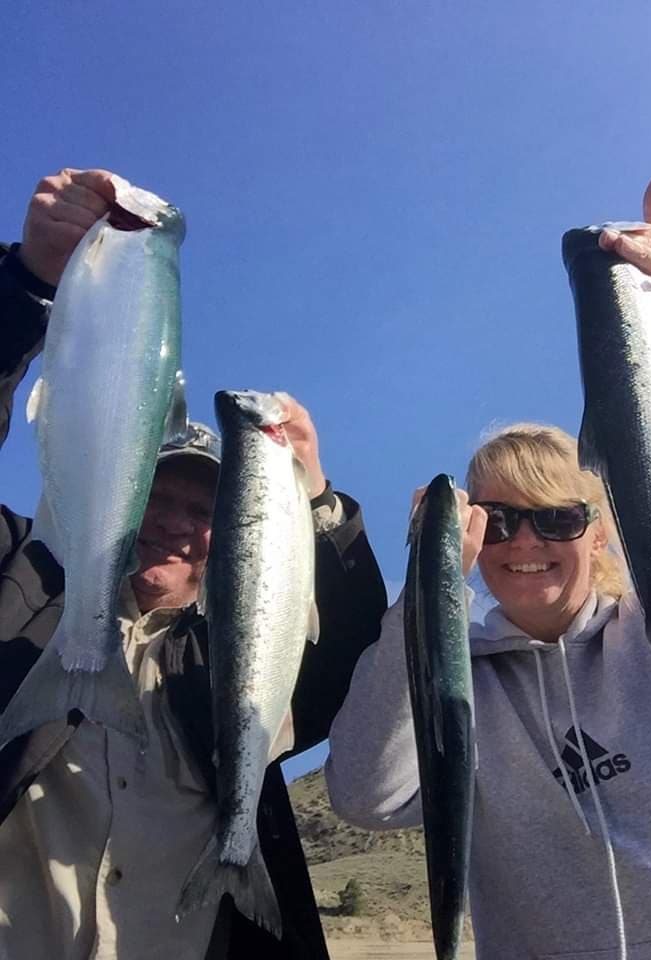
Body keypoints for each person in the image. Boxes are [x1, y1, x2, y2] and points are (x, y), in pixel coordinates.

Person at [325, 175, 651, 959]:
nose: (525, 543)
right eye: (498, 521)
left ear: (599, 534)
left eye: (557, 518)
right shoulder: (461, 683)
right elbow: (366, 797)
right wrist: (427, 591)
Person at [0, 168, 387, 959]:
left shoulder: (242, 662)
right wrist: (25, 287)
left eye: (203, 512)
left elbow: (357, 652)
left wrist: (318, 503)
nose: (175, 525)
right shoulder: (18, 586)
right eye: (154, 495)